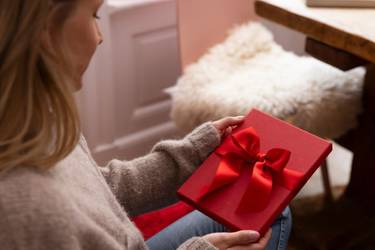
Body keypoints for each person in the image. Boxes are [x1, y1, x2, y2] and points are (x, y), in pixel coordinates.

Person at [0, 0, 292, 249]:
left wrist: (192, 154)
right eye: (94, 14)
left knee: (275, 209)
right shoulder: (27, 210)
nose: (99, 36)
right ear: (45, 28)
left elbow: (99, 192)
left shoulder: (39, 116)